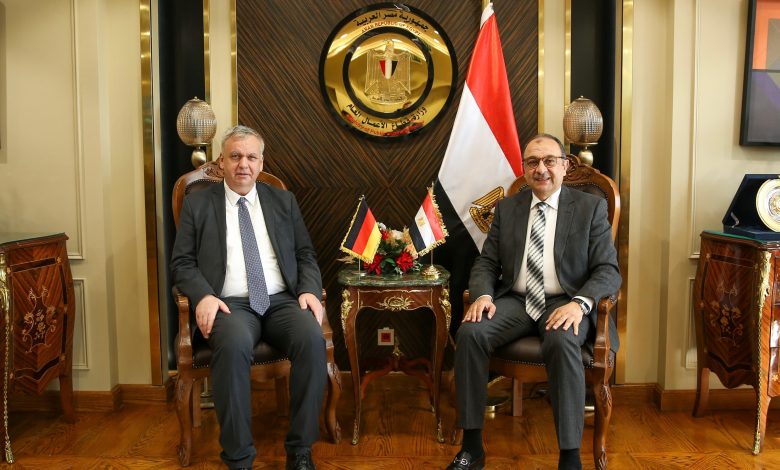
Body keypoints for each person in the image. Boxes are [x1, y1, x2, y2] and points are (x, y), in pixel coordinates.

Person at [446, 134, 621, 470]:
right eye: (532, 162)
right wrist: (483, 295)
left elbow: (608, 270)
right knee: (470, 333)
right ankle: (472, 448)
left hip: (565, 301)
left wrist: (580, 303)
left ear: (565, 166)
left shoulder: (589, 208)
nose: (541, 169)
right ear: (524, 168)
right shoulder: (508, 208)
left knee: (561, 339)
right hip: (515, 300)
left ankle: (569, 457)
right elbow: (487, 262)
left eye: (549, 161)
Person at [171, 125, 326, 470]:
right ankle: (239, 458)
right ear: (222, 162)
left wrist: (309, 291)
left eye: (251, 157)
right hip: (230, 305)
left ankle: (300, 451)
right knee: (232, 345)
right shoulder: (198, 204)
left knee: (312, 339)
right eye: (236, 156)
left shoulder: (283, 201)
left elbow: (305, 254)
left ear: (261, 163)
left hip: (281, 300)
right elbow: (181, 263)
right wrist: (203, 296)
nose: (244, 164)